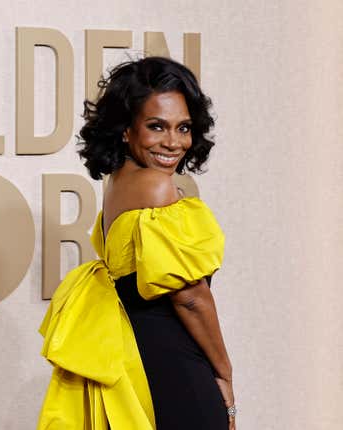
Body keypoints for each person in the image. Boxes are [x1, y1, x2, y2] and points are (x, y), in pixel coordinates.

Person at [37, 56, 236, 430]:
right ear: (126, 129)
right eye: (157, 126)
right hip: (177, 372)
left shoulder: (118, 183)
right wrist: (224, 371)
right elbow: (190, 298)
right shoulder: (157, 187)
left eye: (183, 127)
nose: (173, 142)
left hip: (137, 368)